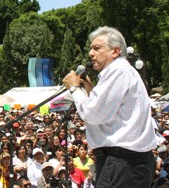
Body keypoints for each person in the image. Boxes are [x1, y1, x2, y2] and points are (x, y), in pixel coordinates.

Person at [63, 26, 157, 187]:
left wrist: (74, 88)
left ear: (115, 51)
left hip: (122, 162)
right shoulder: (122, 71)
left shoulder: (118, 70)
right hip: (126, 162)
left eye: (96, 48)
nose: (91, 53)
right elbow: (107, 112)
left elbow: (92, 114)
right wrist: (89, 89)